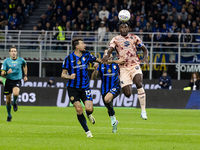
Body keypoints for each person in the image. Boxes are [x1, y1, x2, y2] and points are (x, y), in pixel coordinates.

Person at [102, 21, 148, 120]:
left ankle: (143, 111)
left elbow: (144, 48)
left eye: (125, 27)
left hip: (134, 65)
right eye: (122, 27)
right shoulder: (115, 39)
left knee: (139, 83)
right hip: (123, 68)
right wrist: (106, 56)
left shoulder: (134, 37)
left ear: (128, 28)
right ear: (119, 29)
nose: (124, 29)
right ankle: (127, 83)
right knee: (127, 94)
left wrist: (145, 58)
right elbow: (110, 49)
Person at [61, 38, 103, 138]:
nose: (84, 45)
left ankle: (88, 114)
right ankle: (88, 132)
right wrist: (69, 76)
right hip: (73, 88)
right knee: (79, 110)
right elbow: (63, 74)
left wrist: (112, 61)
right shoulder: (68, 58)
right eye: (82, 43)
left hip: (85, 88)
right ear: (77, 46)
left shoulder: (87, 55)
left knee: (89, 109)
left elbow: (99, 60)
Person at [91, 50, 125, 133]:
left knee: (107, 99)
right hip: (104, 89)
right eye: (104, 53)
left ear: (111, 55)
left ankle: (113, 120)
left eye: (108, 53)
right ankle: (114, 122)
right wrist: (95, 69)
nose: (106, 54)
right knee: (109, 107)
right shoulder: (100, 64)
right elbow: (93, 78)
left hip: (115, 87)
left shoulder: (116, 63)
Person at [1, 46, 28, 122]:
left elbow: (25, 65)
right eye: (12, 51)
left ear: (16, 52)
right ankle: (9, 115)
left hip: (17, 80)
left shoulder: (21, 60)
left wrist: (25, 75)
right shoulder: (6, 61)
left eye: (15, 51)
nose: (13, 52)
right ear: (9, 53)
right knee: (8, 101)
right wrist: (7, 72)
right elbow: (2, 73)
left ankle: (15, 102)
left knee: (15, 94)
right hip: (9, 81)